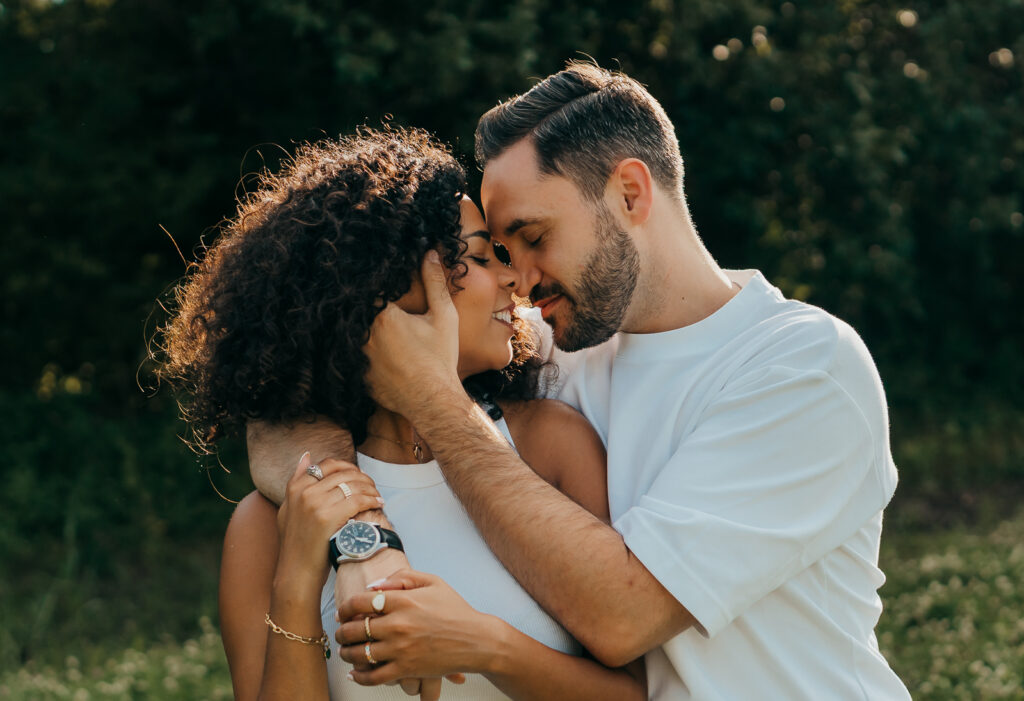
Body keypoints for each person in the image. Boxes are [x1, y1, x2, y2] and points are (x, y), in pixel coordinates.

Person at [254, 63, 912, 699]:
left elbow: (622, 616)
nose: (520, 278)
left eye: (534, 236)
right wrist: (365, 540)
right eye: (501, 251)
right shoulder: (559, 342)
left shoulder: (801, 367)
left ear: (630, 193)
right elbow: (282, 414)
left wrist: (433, 399)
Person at [157, 128, 644, 700]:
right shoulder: (271, 519)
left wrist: (480, 645)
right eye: (480, 257)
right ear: (389, 287)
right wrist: (297, 582)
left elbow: (635, 694)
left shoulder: (551, 445)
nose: (513, 279)